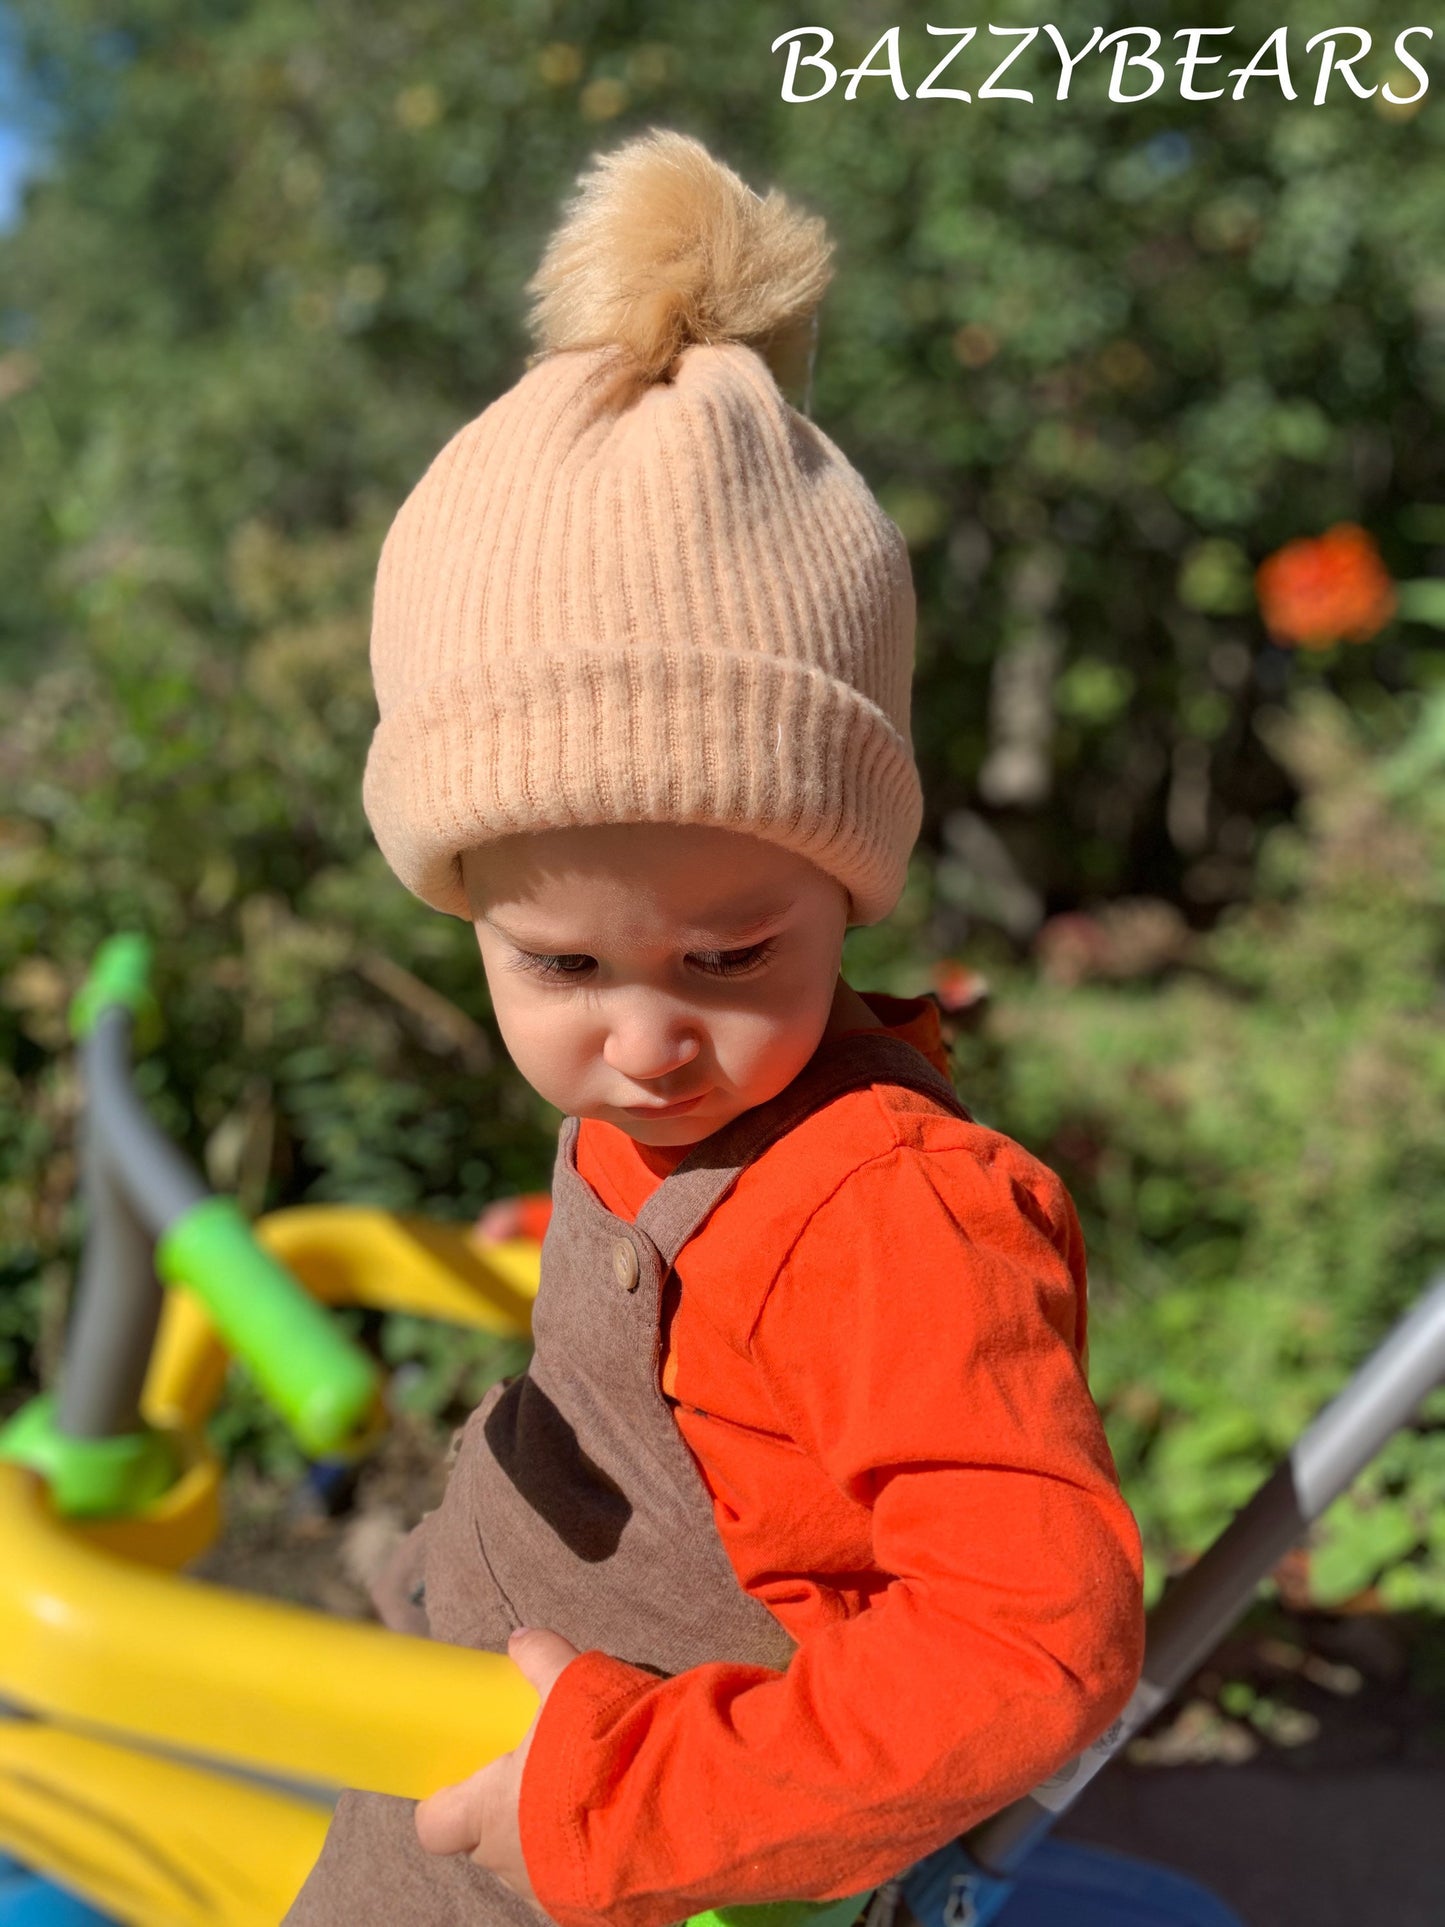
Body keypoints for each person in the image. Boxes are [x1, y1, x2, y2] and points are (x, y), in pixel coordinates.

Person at [283, 127, 1144, 1927]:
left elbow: (1025, 1638)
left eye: (735, 954)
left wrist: (633, 1812)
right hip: (465, 1679)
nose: (653, 1042)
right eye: (565, 971)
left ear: (851, 892)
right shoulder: (676, 1108)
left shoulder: (886, 1215)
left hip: (617, 1841)